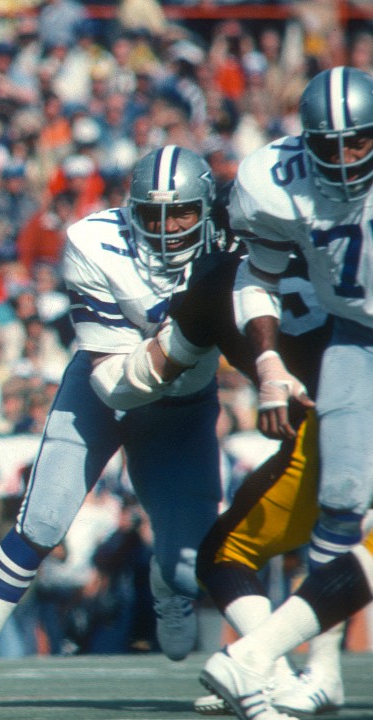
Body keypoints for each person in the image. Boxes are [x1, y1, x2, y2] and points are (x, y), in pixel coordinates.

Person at [0, 146, 226, 714]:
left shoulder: (235, 237)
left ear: (207, 209)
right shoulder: (95, 240)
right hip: (104, 386)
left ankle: (193, 619)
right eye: (153, 215)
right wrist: (181, 343)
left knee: (190, 558)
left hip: (185, 406)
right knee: (39, 521)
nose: (167, 230)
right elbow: (114, 383)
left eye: (182, 214)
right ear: (130, 209)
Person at [199, 65, 373, 720]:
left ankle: (252, 655)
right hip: (357, 336)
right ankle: (320, 672)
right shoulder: (273, 180)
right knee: (341, 504)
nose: (346, 157)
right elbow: (258, 273)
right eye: (330, 144)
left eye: (359, 142)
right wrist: (269, 362)